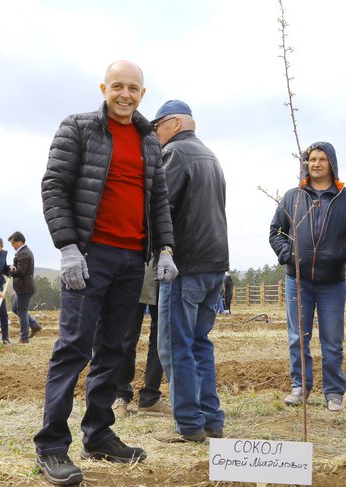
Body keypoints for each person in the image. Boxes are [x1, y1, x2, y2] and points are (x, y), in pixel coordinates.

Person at [34, 60, 176, 486]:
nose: (125, 94)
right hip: (90, 256)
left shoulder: (149, 139)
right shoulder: (77, 128)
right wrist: (69, 248)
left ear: (142, 94)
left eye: (133, 88)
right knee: (74, 347)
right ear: (104, 88)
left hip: (133, 260)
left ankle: (98, 432)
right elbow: (54, 186)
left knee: (114, 350)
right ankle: (51, 445)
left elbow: (159, 199)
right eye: (118, 86)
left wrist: (165, 249)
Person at [149, 100, 228, 443]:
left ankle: (188, 424)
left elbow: (159, 207)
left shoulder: (176, 155)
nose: (155, 133)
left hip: (186, 266)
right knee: (199, 344)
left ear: (176, 123)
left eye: (158, 126)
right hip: (214, 266)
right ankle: (212, 420)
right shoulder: (211, 156)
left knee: (174, 346)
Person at [269, 141, 346, 412]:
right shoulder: (292, 197)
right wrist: (288, 255)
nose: (316, 163)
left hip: (332, 282)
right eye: (312, 159)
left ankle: (334, 392)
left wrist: (342, 254)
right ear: (306, 163)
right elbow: (276, 231)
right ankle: (300, 387)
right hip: (297, 280)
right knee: (297, 337)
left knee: (332, 340)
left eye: (322, 159)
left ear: (332, 163)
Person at [113, 261, 170, 418]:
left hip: (165, 272)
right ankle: (120, 396)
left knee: (161, 338)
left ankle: (150, 398)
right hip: (137, 267)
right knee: (127, 336)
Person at [7, 231, 42, 344]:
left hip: (25, 288)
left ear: (20, 241)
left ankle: (24, 338)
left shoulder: (24, 254)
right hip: (22, 287)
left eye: (13, 243)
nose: (12, 245)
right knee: (15, 309)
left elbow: (21, 272)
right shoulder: (22, 252)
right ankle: (35, 326)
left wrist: (11, 272)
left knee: (22, 312)